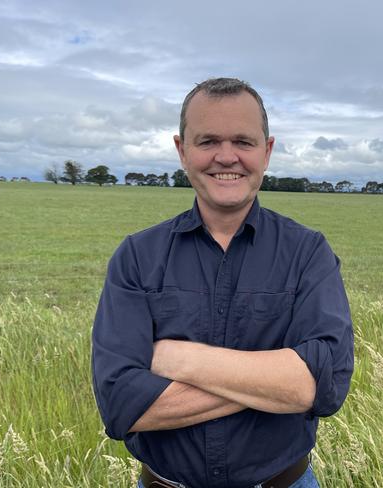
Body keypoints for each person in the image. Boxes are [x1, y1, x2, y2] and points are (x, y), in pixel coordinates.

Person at [91, 77, 354, 488]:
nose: (226, 157)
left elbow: (322, 386)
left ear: (266, 152)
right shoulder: (137, 257)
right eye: (208, 141)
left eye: (244, 142)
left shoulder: (308, 253)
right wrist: (272, 385)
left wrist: (177, 360)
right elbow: (122, 405)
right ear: (182, 151)